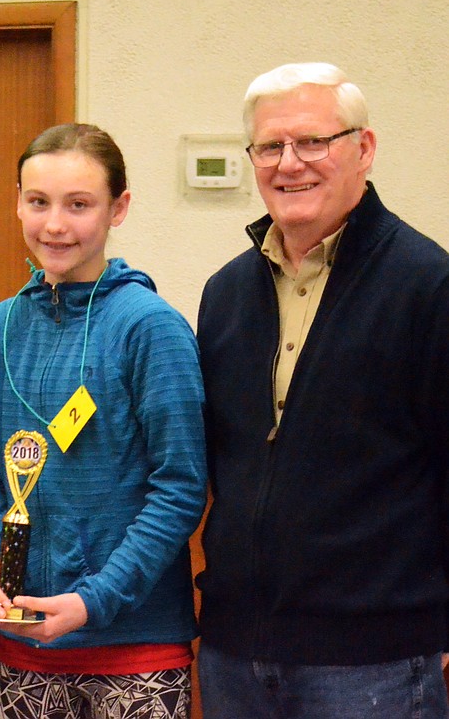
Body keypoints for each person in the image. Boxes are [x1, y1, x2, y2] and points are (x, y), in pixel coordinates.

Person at [195, 62, 449, 718]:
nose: (289, 164)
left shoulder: (427, 286)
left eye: (313, 141)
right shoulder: (225, 296)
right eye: (270, 147)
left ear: (362, 149)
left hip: (375, 661)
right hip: (233, 654)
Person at [0, 123, 207, 719]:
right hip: (26, 648)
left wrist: (94, 600)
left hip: (134, 649)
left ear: (118, 208)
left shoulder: (151, 328)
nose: (55, 225)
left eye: (79, 205)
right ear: (16, 201)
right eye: (38, 202)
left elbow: (180, 488)